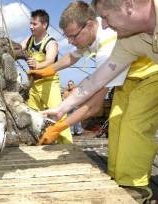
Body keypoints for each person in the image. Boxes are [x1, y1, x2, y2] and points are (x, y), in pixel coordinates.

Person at [32, 0, 158, 192]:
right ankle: (118, 176)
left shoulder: (109, 43)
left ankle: (136, 188)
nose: (71, 42)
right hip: (127, 79)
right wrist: (60, 105)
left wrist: (59, 127)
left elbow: (95, 104)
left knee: (133, 125)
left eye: (73, 36)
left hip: (151, 75)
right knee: (116, 125)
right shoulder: (114, 36)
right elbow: (89, 75)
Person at [21, 9, 72, 144]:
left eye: (34, 24)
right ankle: (36, 143)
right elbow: (18, 48)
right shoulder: (29, 40)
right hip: (34, 85)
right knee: (32, 116)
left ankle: (68, 145)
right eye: (30, 23)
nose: (31, 26)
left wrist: (38, 65)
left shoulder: (51, 42)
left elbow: (50, 60)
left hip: (49, 84)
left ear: (44, 25)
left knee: (59, 116)